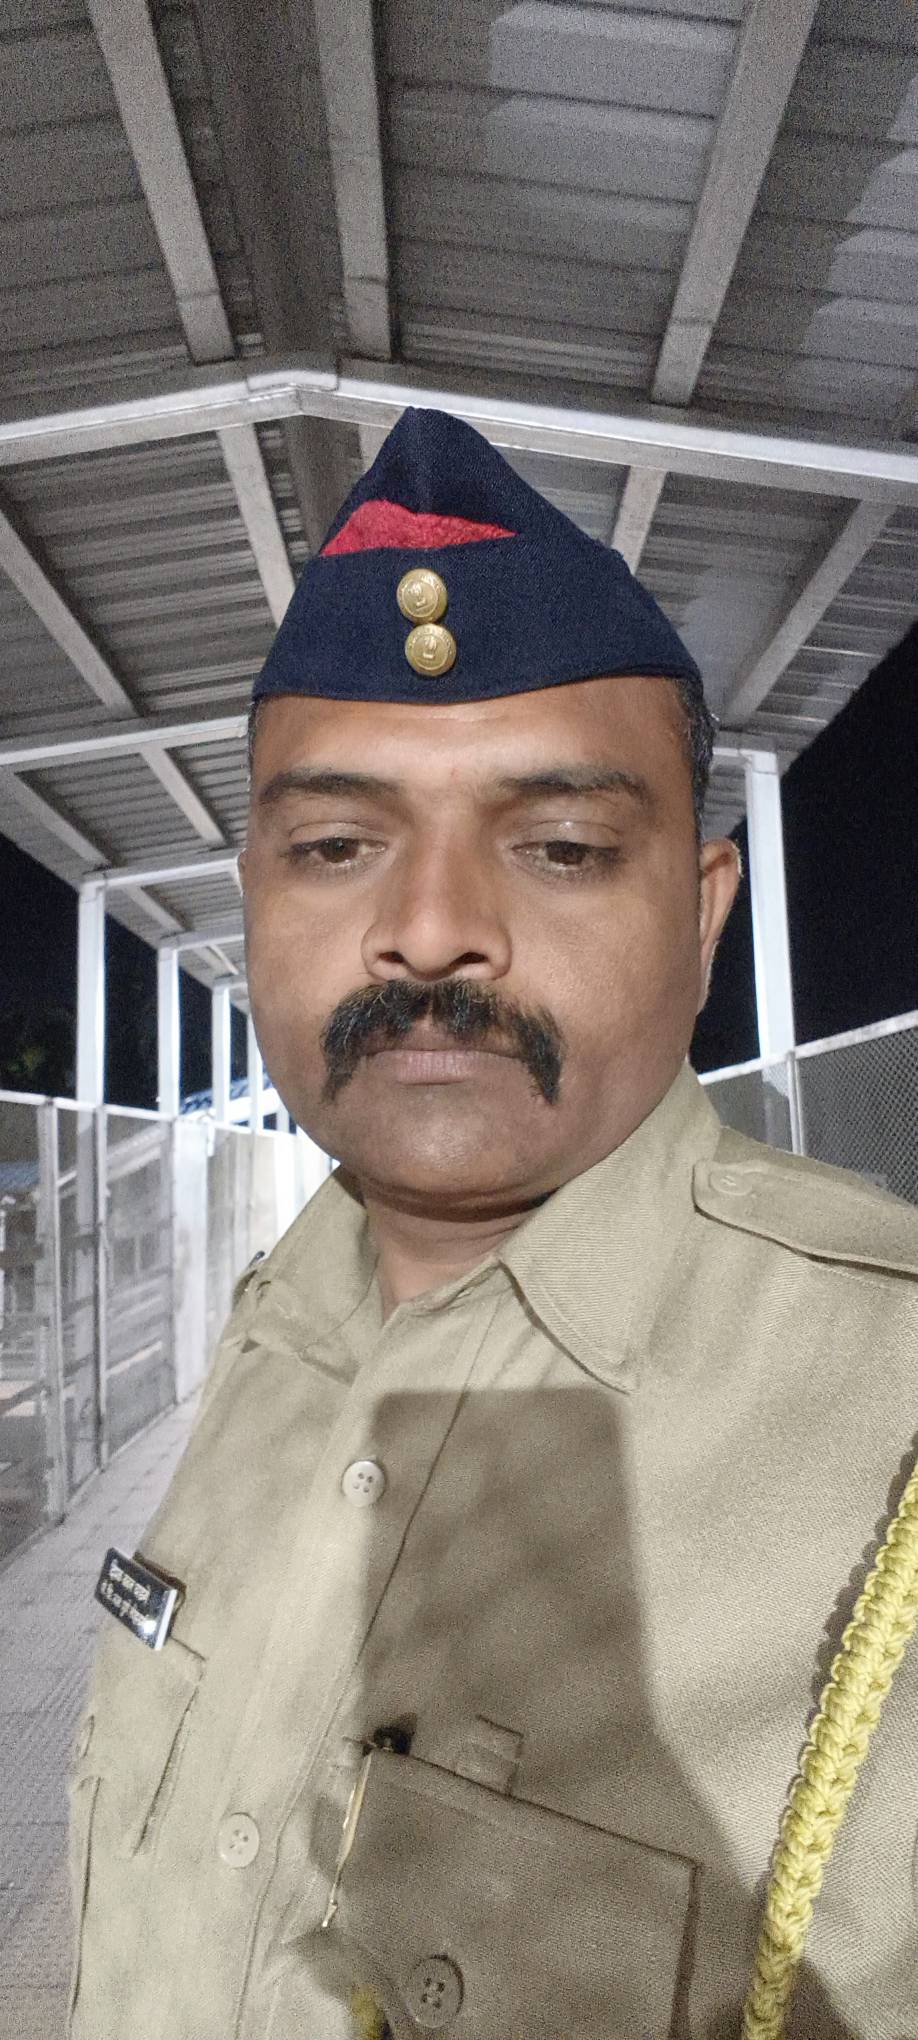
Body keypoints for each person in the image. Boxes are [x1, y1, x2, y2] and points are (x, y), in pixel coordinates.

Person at [67, 410, 918, 2040]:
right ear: (254, 903)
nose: (432, 928)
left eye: (561, 846)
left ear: (702, 914)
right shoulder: (272, 1323)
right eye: (335, 845)